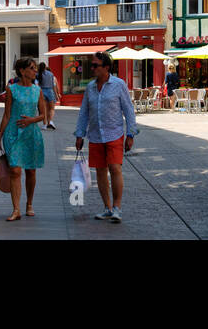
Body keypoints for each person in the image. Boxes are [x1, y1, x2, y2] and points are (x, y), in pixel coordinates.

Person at [73, 51, 138, 223]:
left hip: (114, 133)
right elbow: (84, 112)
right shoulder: (90, 87)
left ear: (106, 67)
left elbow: (128, 110)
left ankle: (117, 207)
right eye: (92, 65)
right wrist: (79, 134)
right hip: (94, 135)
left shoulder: (119, 85)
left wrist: (130, 134)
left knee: (115, 168)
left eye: (95, 65)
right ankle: (107, 208)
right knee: (100, 171)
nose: (92, 68)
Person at [0, 56, 47, 221]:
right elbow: (6, 114)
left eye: (35, 68)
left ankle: (29, 204)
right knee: (15, 170)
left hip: (31, 134)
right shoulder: (12, 89)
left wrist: (31, 120)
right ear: (22, 71)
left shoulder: (37, 90)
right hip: (13, 133)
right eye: (32, 68)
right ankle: (16, 209)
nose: (35, 71)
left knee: (30, 170)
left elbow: (44, 116)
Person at [37, 62, 59, 129]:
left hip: (42, 91)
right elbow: (53, 85)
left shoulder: (37, 74)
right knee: (51, 108)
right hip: (50, 91)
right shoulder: (51, 74)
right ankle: (50, 121)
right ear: (45, 67)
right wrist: (56, 95)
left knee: (44, 109)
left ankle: (44, 124)